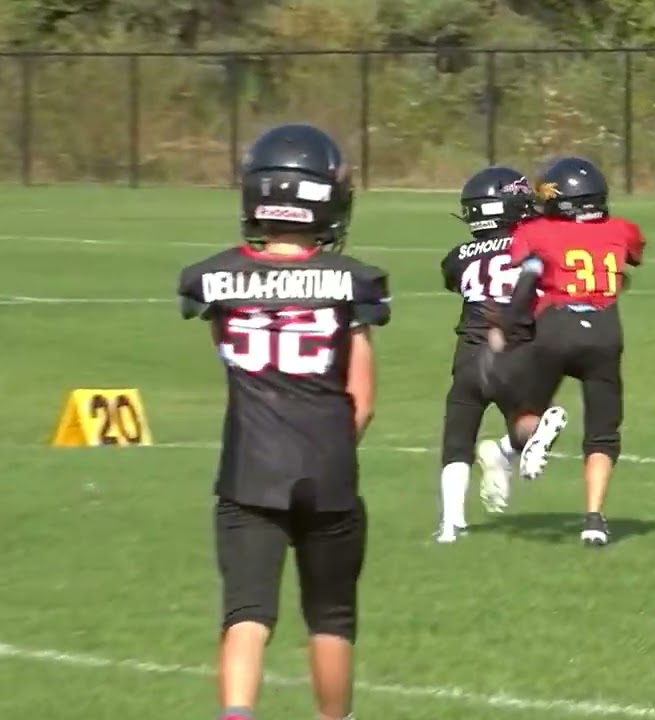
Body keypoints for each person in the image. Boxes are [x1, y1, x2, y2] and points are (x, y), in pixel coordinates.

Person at [176, 123, 391, 720]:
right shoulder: (352, 281)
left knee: (246, 614)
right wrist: (332, 447)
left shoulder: (212, 278)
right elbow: (362, 397)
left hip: (249, 469)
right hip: (328, 470)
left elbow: (231, 352)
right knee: (331, 619)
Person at [487, 156, 645, 547]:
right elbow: (631, 257)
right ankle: (594, 520)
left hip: (555, 326)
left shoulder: (536, 231)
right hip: (606, 330)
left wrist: (507, 326)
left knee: (525, 411)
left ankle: (523, 439)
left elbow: (527, 279)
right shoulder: (622, 229)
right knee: (602, 435)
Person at [435, 165, 566, 543]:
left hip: (469, 353)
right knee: (529, 423)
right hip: (515, 351)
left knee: (457, 441)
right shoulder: (535, 246)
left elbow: (456, 279)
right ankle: (509, 448)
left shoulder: (458, 256)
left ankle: (451, 525)